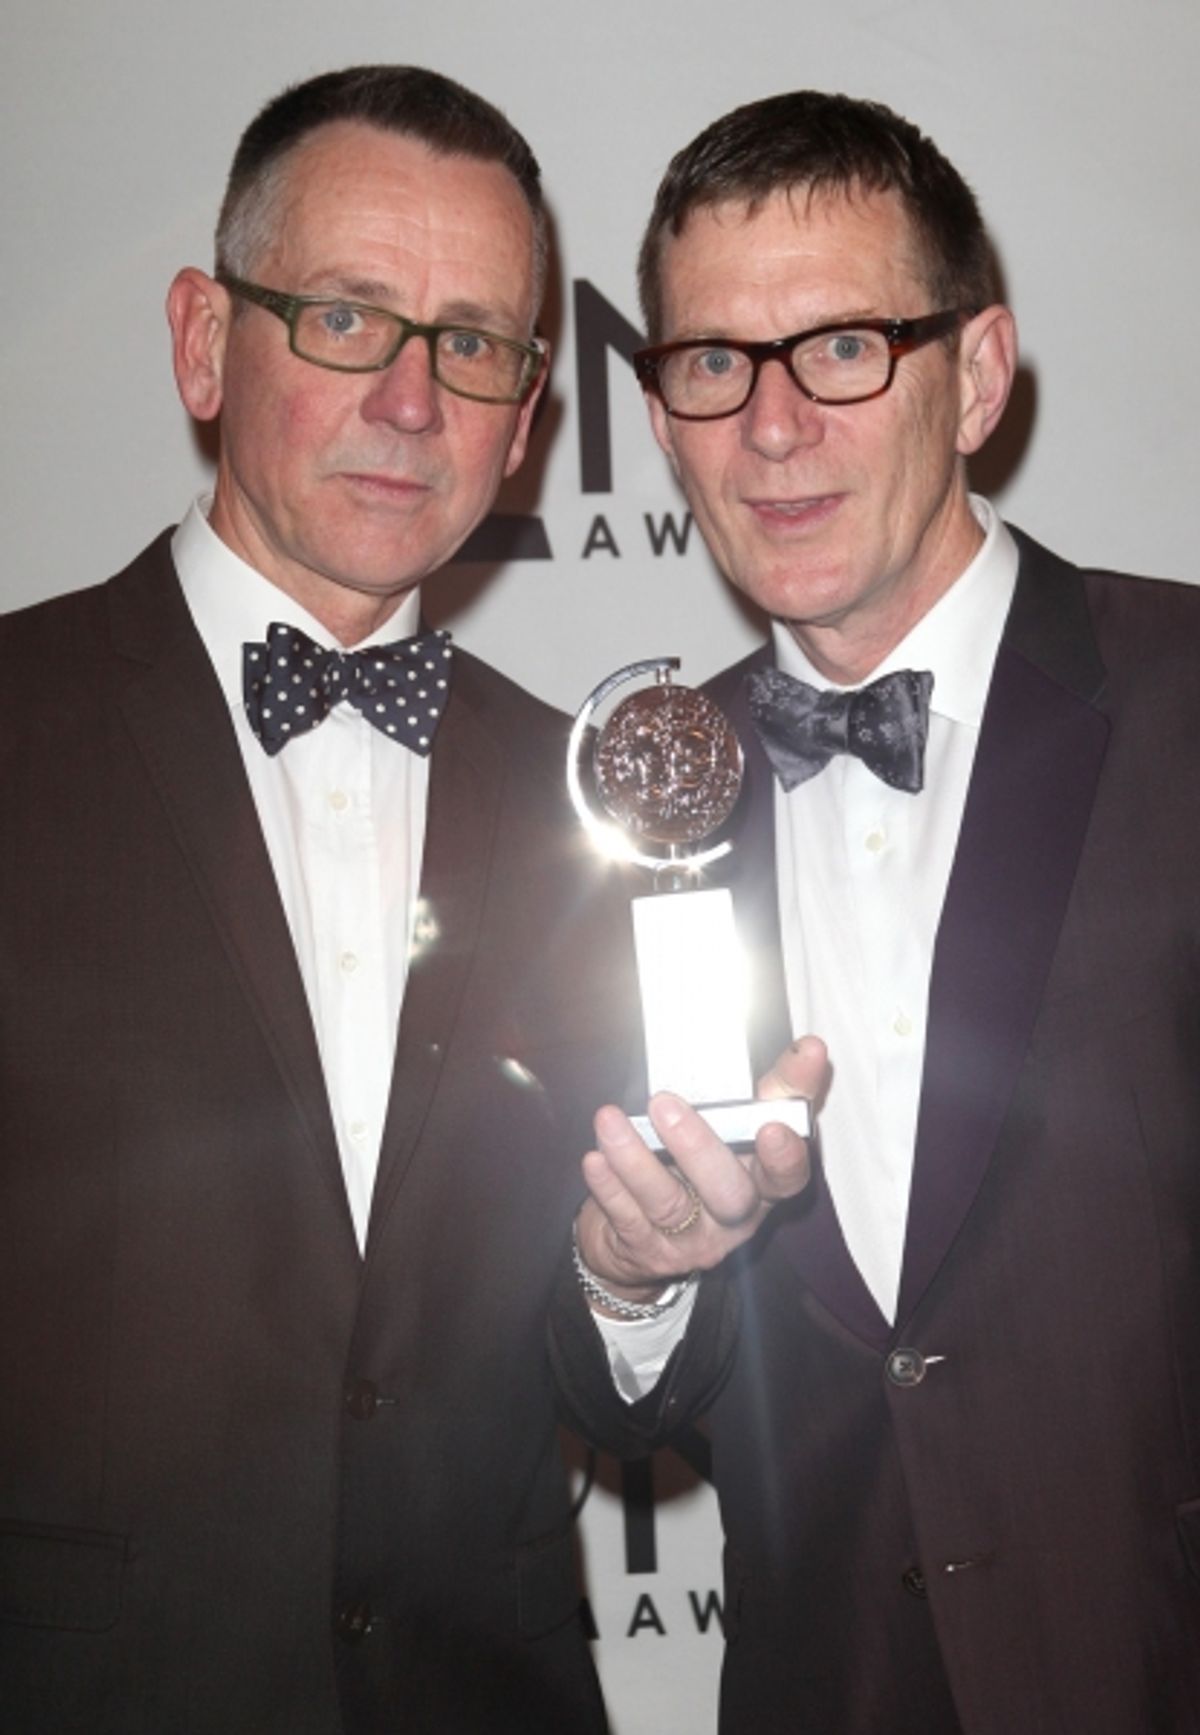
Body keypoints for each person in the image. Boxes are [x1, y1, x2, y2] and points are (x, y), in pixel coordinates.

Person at [0, 63, 646, 1735]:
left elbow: (636, 1386)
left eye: (477, 343)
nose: (415, 402)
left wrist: (653, 1285)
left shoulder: (595, 805)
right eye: (350, 320)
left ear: (526, 423)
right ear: (207, 342)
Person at [555, 90, 1200, 1734]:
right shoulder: (631, 796)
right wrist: (636, 1284)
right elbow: (607, 1398)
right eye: (710, 363)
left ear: (976, 376)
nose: (771, 428)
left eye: (842, 347)